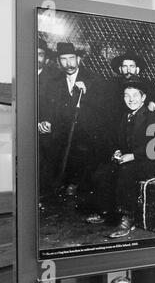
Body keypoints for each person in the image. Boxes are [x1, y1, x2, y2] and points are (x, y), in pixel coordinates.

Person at [87, 79, 155, 238]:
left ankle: (128, 218)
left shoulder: (152, 117)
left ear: (143, 97)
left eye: (135, 95)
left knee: (126, 174)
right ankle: (106, 211)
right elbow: (120, 141)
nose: (131, 99)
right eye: (126, 95)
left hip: (148, 161)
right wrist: (117, 152)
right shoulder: (125, 116)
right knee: (103, 172)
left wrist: (133, 156)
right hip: (129, 159)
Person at [47, 42, 109, 196]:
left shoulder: (94, 79)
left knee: (83, 147)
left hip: (88, 130)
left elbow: (103, 108)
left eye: (71, 58)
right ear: (58, 62)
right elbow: (51, 108)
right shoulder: (55, 81)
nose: (68, 63)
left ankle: (77, 183)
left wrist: (86, 93)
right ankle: (60, 182)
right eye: (63, 59)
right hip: (64, 129)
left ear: (78, 59)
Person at [107, 51, 155, 140]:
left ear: (137, 69)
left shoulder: (147, 84)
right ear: (120, 69)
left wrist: (152, 102)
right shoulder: (113, 85)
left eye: (132, 66)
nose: (128, 70)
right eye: (125, 66)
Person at [37, 38, 62, 200]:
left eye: (40, 54)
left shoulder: (54, 78)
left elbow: (57, 105)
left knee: (49, 150)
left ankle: (44, 192)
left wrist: (48, 121)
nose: (35, 57)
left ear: (46, 58)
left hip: (45, 124)